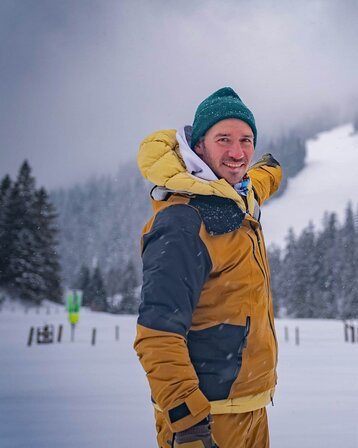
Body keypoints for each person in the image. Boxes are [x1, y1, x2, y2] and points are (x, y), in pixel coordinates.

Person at [134, 87, 282, 448]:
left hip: (250, 408)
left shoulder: (235, 195)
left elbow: (257, 182)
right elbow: (157, 334)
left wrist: (272, 168)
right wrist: (188, 421)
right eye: (224, 139)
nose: (237, 153)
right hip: (208, 419)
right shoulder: (182, 221)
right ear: (199, 146)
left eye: (246, 140)